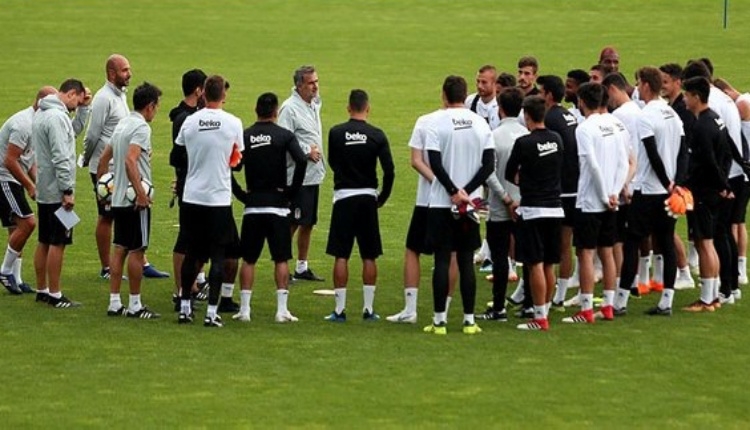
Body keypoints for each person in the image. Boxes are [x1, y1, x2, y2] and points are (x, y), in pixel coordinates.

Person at [83, 54, 168, 280]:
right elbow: (92, 135)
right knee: (107, 216)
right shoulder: (103, 98)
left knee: (125, 216)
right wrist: (89, 161)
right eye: (124, 70)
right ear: (112, 73)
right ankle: (107, 267)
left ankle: (141, 261)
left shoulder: (121, 96)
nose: (129, 74)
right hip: (107, 169)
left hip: (120, 165)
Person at [423, 75, 494, 335]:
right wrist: (467, 191)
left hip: (443, 203)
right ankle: (468, 320)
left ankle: (439, 320)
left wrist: (454, 191)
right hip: (471, 205)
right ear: (465, 95)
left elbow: (435, 162)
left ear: (444, 94)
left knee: (442, 260)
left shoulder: (436, 123)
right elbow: (489, 165)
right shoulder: (480, 123)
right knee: (465, 261)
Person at [613, 67, 686, 316]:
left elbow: (652, 152)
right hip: (669, 192)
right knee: (665, 242)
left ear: (645, 85)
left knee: (632, 241)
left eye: (638, 83)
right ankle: (667, 300)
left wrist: (666, 181)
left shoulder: (646, 116)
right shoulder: (673, 114)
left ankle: (621, 300)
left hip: (647, 189)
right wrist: (677, 183)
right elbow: (683, 151)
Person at [174, 75, 243, 327]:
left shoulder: (190, 122)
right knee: (217, 255)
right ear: (223, 95)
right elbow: (238, 162)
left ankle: (184, 308)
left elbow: (176, 155)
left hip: (192, 197)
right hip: (218, 199)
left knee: (191, 254)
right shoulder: (233, 123)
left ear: (204, 94)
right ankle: (212, 312)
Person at [233, 92, 307, 323]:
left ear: (256, 110)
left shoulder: (245, 136)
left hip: (253, 205)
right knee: (281, 259)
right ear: (276, 112)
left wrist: (240, 194)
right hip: (278, 206)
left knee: (249, 259)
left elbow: (231, 166)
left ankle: (245, 310)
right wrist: (292, 192)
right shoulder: (284, 135)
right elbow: (302, 160)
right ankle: (281, 310)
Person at [324, 89, 395, 322]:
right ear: (368, 108)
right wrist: (382, 197)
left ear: (348, 108)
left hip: (344, 197)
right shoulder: (377, 134)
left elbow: (333, 162)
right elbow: (389, 171)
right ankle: (367, 309)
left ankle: (340, 310)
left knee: (341, 255)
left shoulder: (335, 133)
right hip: (367, 197)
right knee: (369, 255)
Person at [564, 82, 629, 323]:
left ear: (582, 101)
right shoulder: (614, 124)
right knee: (608, 252)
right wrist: (614, 193)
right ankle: (609, 306)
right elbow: (624, 162)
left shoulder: (584, 128)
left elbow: (591, 164)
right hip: (612, 200)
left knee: (586, 254)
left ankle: (587, 309)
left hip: (591, 200)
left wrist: (603, 195)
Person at [99, 82, 163, 319]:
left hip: (117, 200)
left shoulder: (122, 124)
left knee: (120, 249)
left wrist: (103, 191)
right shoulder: (141, 128)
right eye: (156, 107)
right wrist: (142, 194)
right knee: (137, 250)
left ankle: (114, 302)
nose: (156, 111)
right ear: (149, 106)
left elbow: (104, 159)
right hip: (135, 202)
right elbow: (129, 160)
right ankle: (135, 305)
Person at [505, 96, 565, 331]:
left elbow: (510, 173)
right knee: (549, 263)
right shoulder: (557, 139)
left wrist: (525, 182)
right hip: (555, 207)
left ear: (527, 116)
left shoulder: (523, 143)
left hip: (533, 208)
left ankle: (539, 318)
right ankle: (545, 311)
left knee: (535, 264)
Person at [31, 79, 87, 307]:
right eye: (79, 100)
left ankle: (42, 289)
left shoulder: (44, 113)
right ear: (72, 94)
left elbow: (72, 133)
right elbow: (62, 156)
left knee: (44, 240)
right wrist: (68, 190)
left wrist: (85, 108)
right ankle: (55, 294)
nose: (78, 105)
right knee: (58, 242)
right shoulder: (56, 117)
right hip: (56, 190)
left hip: (44, 187)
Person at [0, 86, 59, 294]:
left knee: (16, 229)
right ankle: (5, 271)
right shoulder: (23, 124)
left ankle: (16, 279)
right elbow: (10, 160)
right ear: (42, 103)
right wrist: (29, 186)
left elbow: (29, 160)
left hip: (11, 177)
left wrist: (39, 185)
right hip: (3, 178)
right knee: (28, 223)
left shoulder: (38, 122)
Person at [681, 76, 733, 312]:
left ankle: (707, 299)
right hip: (713, 189)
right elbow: (727, 154)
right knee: (708, 242)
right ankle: (712, 296)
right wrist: (724, 183)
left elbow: (709, 162)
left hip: (703, 191)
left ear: (696, 97)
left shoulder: (701, 125)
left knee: (705, 243)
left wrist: (722, 184)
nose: (684, 99)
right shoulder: (716, 120)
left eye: (687, 95)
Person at [477, 87, 528, 321]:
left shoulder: (493, 136)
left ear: (500, 109)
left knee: (499, 258)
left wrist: (504, 197)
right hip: (524, 204)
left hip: (500, 206)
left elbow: (488, 173)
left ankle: (498, 308)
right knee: (527, 255)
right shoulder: (526, 135)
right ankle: (529, 304)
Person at [278, 65, 326, 282]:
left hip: (314, 174)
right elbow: (284, 140)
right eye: (311, 83)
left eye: (316, 81)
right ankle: (282, 265)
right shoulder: (289, 109)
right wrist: (307, 151)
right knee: (293, 223)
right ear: (299, 86)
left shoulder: (314, 102)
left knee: (309, 221)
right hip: (298, 176)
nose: (315, 86)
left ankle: (302, 266)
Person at [535, 75, 580, 309]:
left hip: (561, 190)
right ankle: (560, 293)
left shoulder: (549, 118)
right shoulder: (568, 115)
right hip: (576, 187)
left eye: (540, 92)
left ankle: (555, 296)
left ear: (549, 96)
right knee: (566, 243)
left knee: (557, 245)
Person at [169, 69, 210, 309]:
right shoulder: (184, 118)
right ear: (198, 90)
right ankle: (181, 290)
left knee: (195, 236)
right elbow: (180, 156)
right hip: (190, 185)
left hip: (192, 183)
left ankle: (192, 285)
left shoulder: (188, 114)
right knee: (185, 238)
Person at [714, 76, 750, 290]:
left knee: (732, 225)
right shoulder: (741, 100)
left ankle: (736, 270)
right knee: (738, 222)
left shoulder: (741, 104)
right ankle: (739, 269)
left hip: (740, 172)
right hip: (744, 171)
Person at [465, 65, 500, 129]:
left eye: (484, 82)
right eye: (478, 81)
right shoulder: (470, 101)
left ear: (495, 84)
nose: (479, 86)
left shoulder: (500, 105)